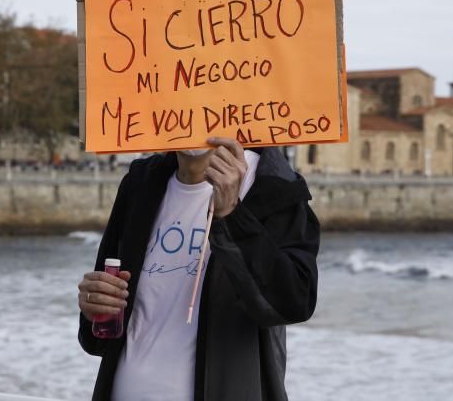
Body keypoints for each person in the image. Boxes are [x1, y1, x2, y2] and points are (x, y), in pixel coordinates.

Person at [77, 136, 319, 401]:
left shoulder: (273, 184)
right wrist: (95, 308)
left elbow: (294, 301)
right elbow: (99, 337)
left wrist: (232, 215)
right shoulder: (141, 182)